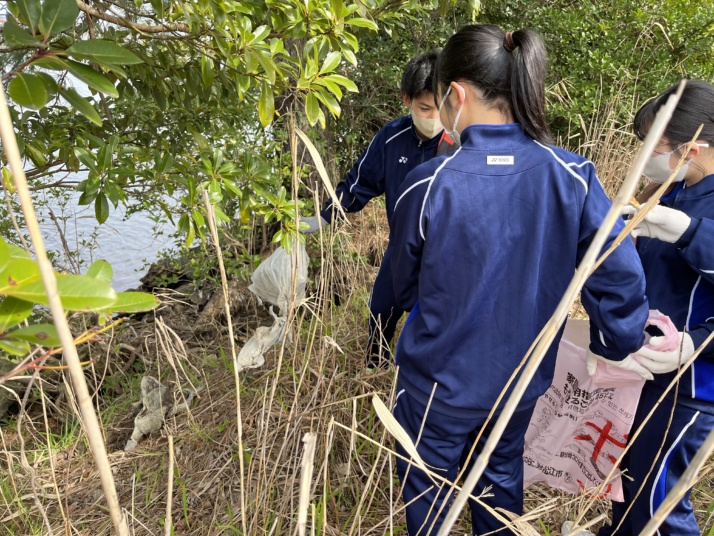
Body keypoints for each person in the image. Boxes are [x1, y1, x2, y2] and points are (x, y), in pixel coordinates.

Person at [389, 24, 650, 535]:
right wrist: (613, 342)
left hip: (434, 389)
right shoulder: (571, 175)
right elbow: (619, 273)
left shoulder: (428, 184)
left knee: (427, 501)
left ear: (456, 95)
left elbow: (400, 284)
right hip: (520, 385)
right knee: (499, 484)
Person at [597, 80, 714, 536]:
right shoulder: (672, 190)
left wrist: (696, 343)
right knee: (629, 482)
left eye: (654, 145)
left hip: (692, 388)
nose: (644, 155)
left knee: (659, 503)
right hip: (646, 371)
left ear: (695, 148)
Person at [302, 51, 449, 368]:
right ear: (406, 100)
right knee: (381, 310)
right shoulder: (391, 139)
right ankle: (376, 368)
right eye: (425, 108)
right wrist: (323, 217)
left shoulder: (461, 140)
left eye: (441, 107)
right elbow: (358, 184)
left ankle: (422, 380)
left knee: (436, 322)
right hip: (402, 248)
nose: (434, 116)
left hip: (446, 252)